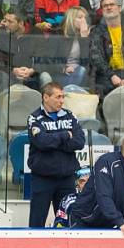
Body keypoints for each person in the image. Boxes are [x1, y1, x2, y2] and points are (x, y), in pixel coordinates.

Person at [69, 135, 124, 240]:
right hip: (84, 221)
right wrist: (121, 222)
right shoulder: (107, 162)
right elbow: (103, 196)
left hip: (107, 225)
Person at [27, 82, 86, 227]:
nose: (62, 100)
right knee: (36, 223)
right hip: (42, 179)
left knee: (68, 223)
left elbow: (79, 142)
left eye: (63, 97)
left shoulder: (70, 116)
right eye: (58, 97)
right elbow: (41, 142)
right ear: (46, 97)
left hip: (66, 179)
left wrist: (53, 140)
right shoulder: (34, 118)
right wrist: (66, 135)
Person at [35, 6, 91, 88]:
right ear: (71, 19)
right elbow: (48, 59)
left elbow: (87, 62)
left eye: (84, 18)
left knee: (81, 70)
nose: (84, 20)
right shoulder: (58, 34)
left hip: (78, 73)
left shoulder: (86, 35)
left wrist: (84, 39)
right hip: (59, 73)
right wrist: (63, 68)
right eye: (80, 17)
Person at [0, 12, 41, 93]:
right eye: (5, 20)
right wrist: (13, 70)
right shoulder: (1, 33)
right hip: (8, 74)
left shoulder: (36, 33)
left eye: (10, 22)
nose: (6, 24)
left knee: (45, 76)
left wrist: (32, 70)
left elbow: (44, 57)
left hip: (31, 75)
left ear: (21, 23)